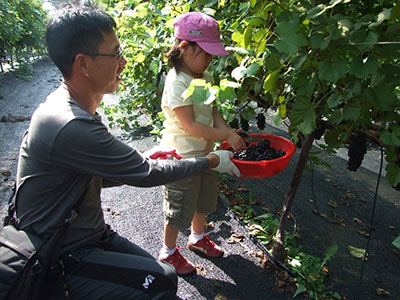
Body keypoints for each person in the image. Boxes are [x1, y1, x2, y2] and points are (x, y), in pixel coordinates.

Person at [13, 2, 240, 300]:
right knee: (159, 283)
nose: (123, 61)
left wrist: (144, 159)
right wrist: (210, 161)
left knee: (162, 277)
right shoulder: (70, 123)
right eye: (116, 52)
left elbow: (92, 175)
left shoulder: (78, 110)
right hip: (57, 253)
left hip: (90, 237)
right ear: (83, 64)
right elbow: (145, 174)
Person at [158, 11, 246, 276]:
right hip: (182, 159)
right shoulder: (177, 82)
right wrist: (225, 137)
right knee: (178, 208)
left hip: (205, 155)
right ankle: (168, 252)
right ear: (184, 48)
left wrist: (228, 132)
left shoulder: (204, 78)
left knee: (203, 200)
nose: (210, 59)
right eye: (206, 53)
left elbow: (213, 111)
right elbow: (191, 126)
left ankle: (197, 238)